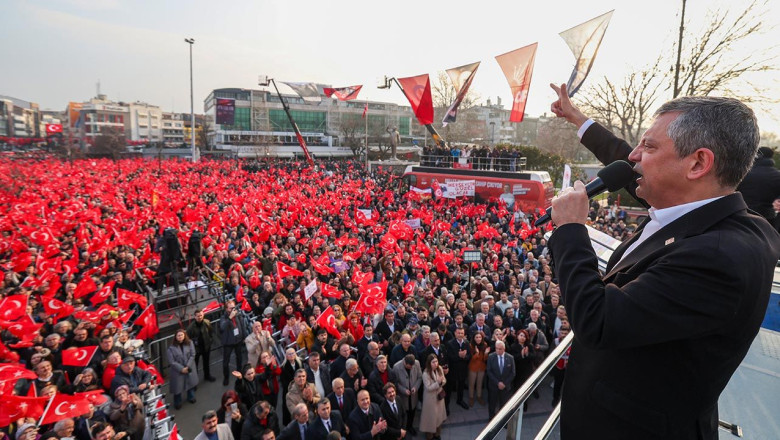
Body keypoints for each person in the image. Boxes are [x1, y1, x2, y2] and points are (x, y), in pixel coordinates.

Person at [549, 83, 780, 438]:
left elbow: (598, 321)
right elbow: (625, 157)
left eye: (649, 146)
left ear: (698, 163)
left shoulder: (720, 256)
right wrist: (577, 118)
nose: (634, 156)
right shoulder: (701, 211)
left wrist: (570, 231)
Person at [736, 146, 780, 222]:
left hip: (741, 215)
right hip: (767, 218)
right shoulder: (777, 175)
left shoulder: (742, 173)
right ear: (771, 157)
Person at [167, 328, 199, 409]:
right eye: (178, 335)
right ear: (175, 337)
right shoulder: (171, 348)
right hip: (178, 371)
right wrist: (181, 369)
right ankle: (177, 402)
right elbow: (172, 361)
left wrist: (187, 366)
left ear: (184, 335)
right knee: (178, 388)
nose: (180, 337)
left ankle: (191, 397)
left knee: (190, 384)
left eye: (181, 335)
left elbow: (193, 354)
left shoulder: (190, 343)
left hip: (189, 367)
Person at [391, 354, 422, 436]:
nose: (410, 368)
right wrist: (404, 390)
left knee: (412, 412)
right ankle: (403, 428)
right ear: (404, 363)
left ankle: (410, 426)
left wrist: (415, 387)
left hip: (413, 395)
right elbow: (395, 383)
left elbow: (419, 377)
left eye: (412, 367)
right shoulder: (396, 367)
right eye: (408, 367)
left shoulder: (417, 363)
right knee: (404, 413)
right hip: (403, 396)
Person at [485, 340, 515, 419]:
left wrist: (504, 384)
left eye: (500, 349)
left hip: (505, 387)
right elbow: (489, 371)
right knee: (492, 404)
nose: (498, 350)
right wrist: (498, 383)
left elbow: (512, 373)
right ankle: (491, 420)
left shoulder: (510, 358)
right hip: (494, 386)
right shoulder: (491, 357)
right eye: (496, 348)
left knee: (504, 405)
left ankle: (502, 421)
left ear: (504, 349)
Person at [420, 354, 446, 440]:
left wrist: (441, 382)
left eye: (436, 361)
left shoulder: (440, 369)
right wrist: (438, 383)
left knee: (439, 416)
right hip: (430, 399)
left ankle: (437, 434)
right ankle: (429, 436)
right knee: (430, 417)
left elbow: (444, 380)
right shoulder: (425, 373)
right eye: (433, 362)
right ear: (429, 363)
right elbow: (428, 387)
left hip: (439, 397)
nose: (435, 363)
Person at [220, 301, 246, 386]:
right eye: (231, 308)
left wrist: (244, 337)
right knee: (226, 361)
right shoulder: (224, 317)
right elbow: (222, 327)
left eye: (233, 307)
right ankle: (226, 377)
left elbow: (242, 325)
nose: (233, 309)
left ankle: (239, 372)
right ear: (227, 309)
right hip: (228, 342)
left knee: (239, 358)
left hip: (238, 340)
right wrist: (229, 318)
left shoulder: (237, 315)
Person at [467, 331, 490, 407]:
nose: (478, 339)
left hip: (482, 368)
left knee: (480, 384)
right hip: (473, 367)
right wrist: (477, 353)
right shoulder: (471, 345)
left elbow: (485, 359)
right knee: (471, 384)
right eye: (476, 337)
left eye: (480, 337)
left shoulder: (485, 345)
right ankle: (471, 397)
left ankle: (479, 397)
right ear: (474, 338)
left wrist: (486, 353)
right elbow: (472, 359)